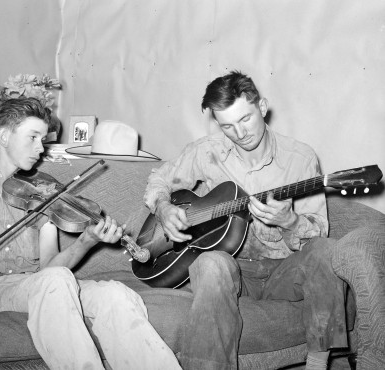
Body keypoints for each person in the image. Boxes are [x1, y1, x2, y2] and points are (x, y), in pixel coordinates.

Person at [0, 97, 181, 370]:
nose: (41, 148)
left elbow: (50, 269)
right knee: (54, 282)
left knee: (116, 294)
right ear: (4, 136)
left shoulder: (42, 192)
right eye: (33, 137)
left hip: (39, 286)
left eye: (43, 139)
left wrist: (86, 241)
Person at [143, 71, 348, 370]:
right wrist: (162, 207)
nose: (240, 133)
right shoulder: (206, 151)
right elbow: (158, 179)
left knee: (325, 251)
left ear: (262, 107)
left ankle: (319, 364)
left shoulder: (300, 157)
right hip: (233, 269)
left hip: (283, 272)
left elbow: (319, 230)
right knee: (209, 263)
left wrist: (290, 221)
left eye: (246, 120)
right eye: (227, 126)